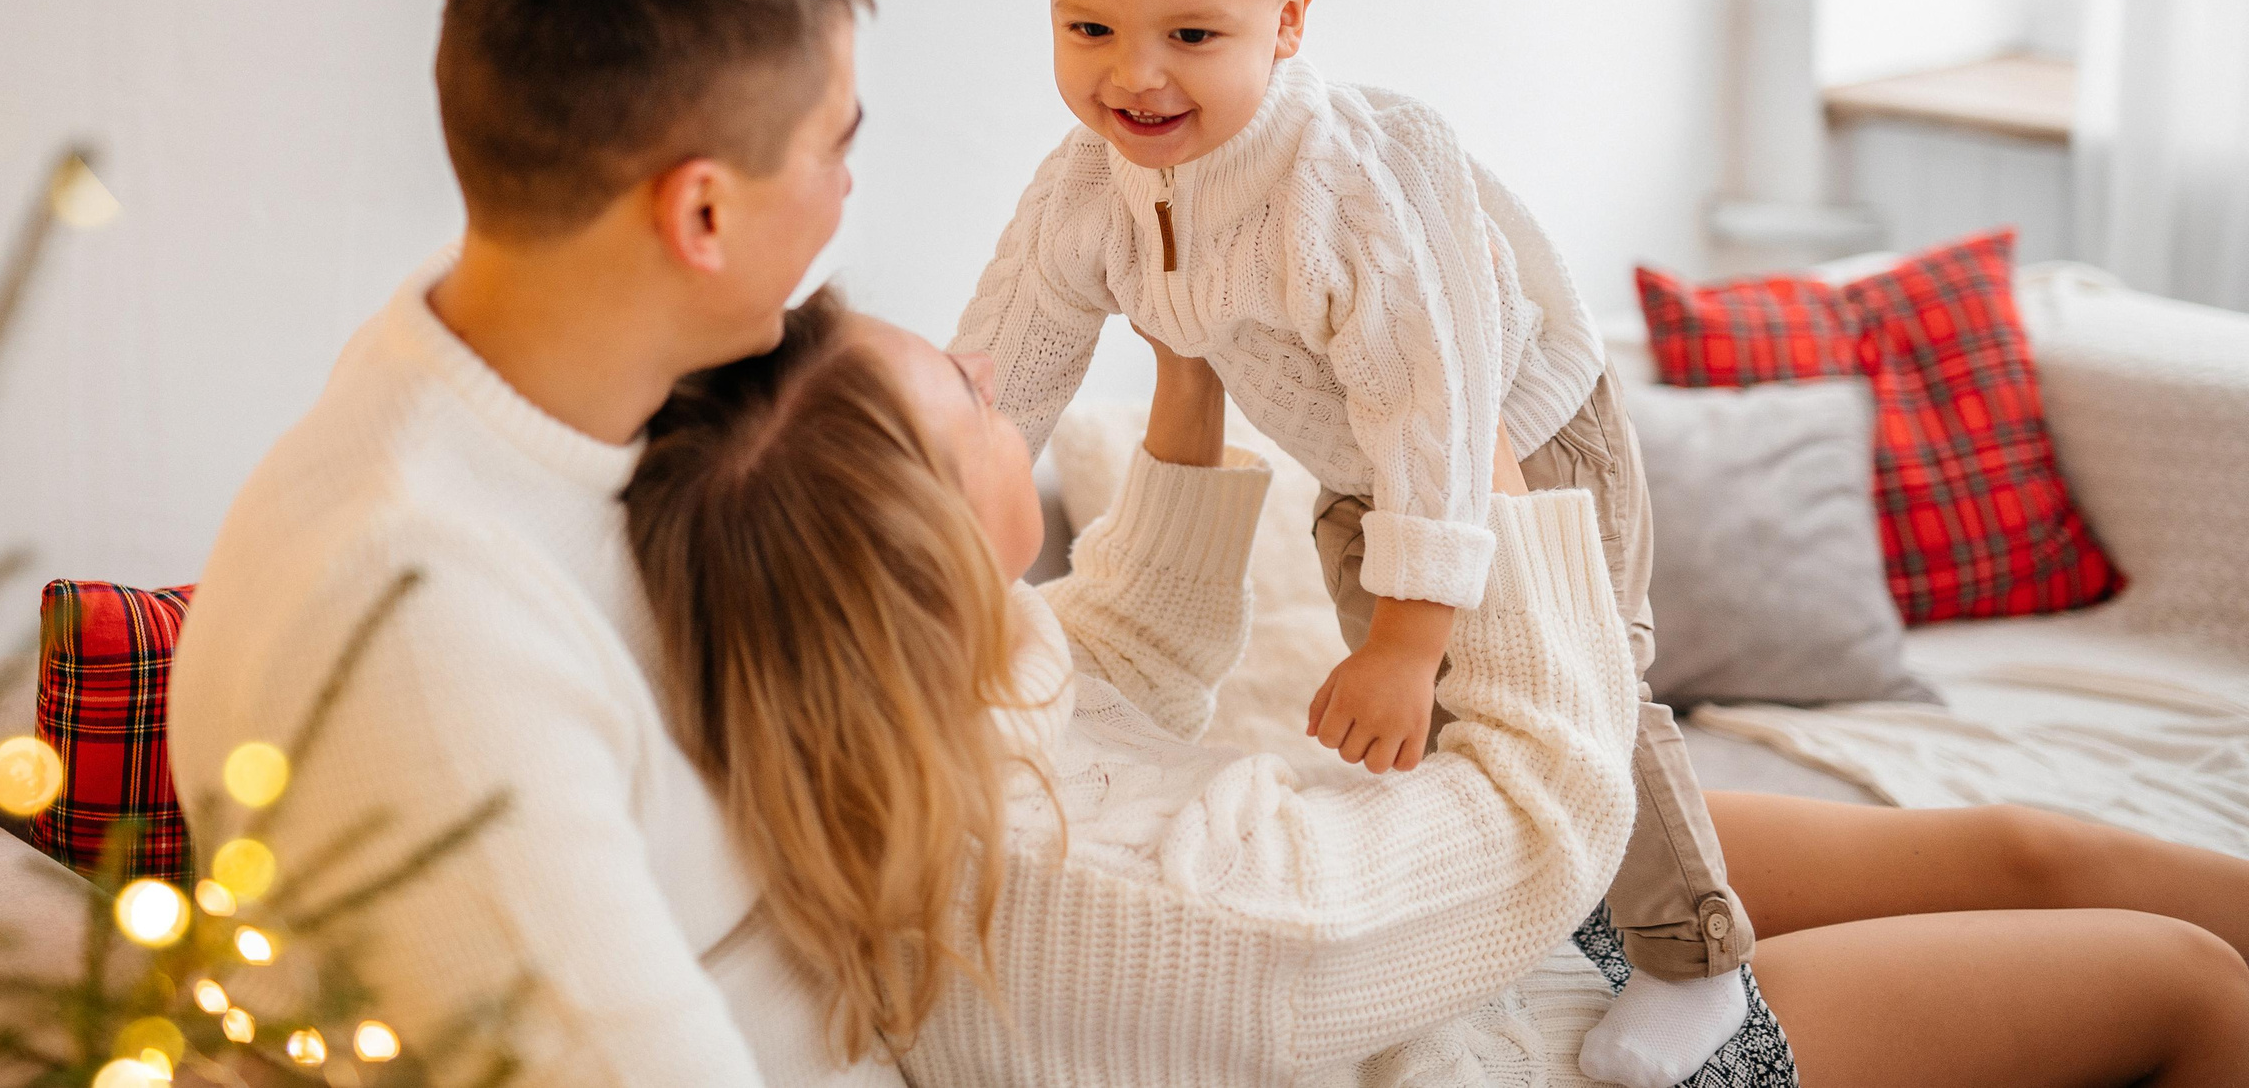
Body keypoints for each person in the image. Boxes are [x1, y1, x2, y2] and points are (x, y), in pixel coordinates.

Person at [627, 294, 2249, 1088]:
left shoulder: (930, 704)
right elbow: (1550, 800)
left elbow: (1125, 646)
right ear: (921, 539)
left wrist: (1186, 369)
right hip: (1547, 1042)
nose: (1008, 390)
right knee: (2179, 983)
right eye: (973, 399)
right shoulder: (1114, 905)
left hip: (1486, 922)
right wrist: (1462, 468)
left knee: (2035, 849)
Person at [949, 0, 1745, 1083]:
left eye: (1194, 34)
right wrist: (930, 526)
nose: (1134, 73)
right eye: (1088, 24)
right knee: (1423, 733)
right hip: (1362, 469)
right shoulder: (1085, 188)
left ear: (1291, 18)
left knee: (1586, 682)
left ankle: (1690, 952)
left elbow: (1436, 400)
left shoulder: (1351, 181)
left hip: (1523, 436)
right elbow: (1001, 372)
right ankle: (1501, 924)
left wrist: (1412, 630)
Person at [168, 0, 891, 1087]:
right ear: (701, 215)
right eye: (836, 146)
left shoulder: (497, 382)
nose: (847, 190)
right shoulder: (423, 643)